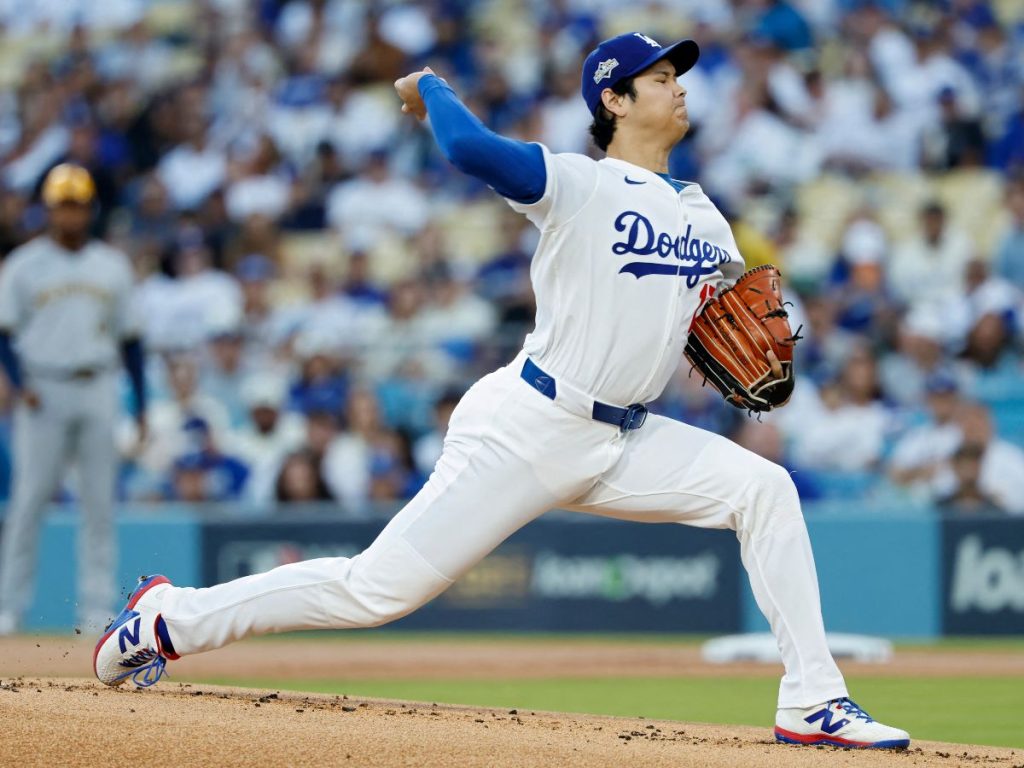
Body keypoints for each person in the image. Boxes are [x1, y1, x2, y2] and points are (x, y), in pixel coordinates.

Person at [94, 33, 909, 749]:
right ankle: (170, 619)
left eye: (676, 74)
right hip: (529, 424)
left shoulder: (706, 217)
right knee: (376, 590)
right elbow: (473, 152)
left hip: (624, 441)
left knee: (764, 489)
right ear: (615, 100)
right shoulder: (577, 184)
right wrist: (432, 90)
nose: (678, 85)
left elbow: (722, 320)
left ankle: (814, 700)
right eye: (658, 77)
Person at [0, 164, 146, 635]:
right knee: (29, 501)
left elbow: (132, 339)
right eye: (63, 205)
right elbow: (3, 333)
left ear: (90, 208)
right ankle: (9, 607)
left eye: (77, 204)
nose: (70, 214)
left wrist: (141, 405)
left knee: (100, 504)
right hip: (42, 387)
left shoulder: (111, 264)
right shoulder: (23, 264)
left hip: (98, 383)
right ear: (49, 210)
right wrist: (17, 382)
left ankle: (97, 610)